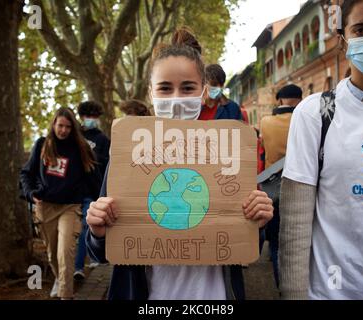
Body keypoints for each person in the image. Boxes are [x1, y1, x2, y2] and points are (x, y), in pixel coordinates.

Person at [85, 28, 274, 300]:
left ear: (203, 92)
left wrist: (257, 221)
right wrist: (97, 231)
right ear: (151, 93)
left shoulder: (227, 153)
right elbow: (103, 253)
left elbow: (246, 247)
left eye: (187, 88)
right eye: (165, 88)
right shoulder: (128, 153)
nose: (175, 98)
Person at [279, 0, 363, 300]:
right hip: (333, 293)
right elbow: (295, 223)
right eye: (361, 29)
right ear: (344, 40)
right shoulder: (314, 114)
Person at [20, 107, 97, 299]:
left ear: (73, 128)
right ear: (53, 124)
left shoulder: (80, 148)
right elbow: (26, 174)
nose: (63, 130)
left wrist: (96, 199)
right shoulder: (42, 145)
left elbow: (94, 176)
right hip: (45, 207)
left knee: (65, 253)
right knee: (53, 256)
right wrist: (30, 194)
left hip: (70, 207)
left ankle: (65, 295)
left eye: (68, 127)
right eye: (60, 125)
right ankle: (61, 280)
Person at [259, 84, 302, 289]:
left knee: (276, 242)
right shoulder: (305, 119)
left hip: (273, 185)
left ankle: (282, 287)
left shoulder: (266, 122)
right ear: (300, 99)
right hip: (302, 183)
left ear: (280, 100)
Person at [74, 101, 110, 280]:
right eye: (88, 116)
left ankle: (78, 267)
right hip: (71, 191)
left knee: (84, 227)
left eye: (95, 117)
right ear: (82, 117)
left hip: (91, 191)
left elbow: (105, 166)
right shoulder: (75, 135)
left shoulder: (102, 139)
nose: (91, 120)